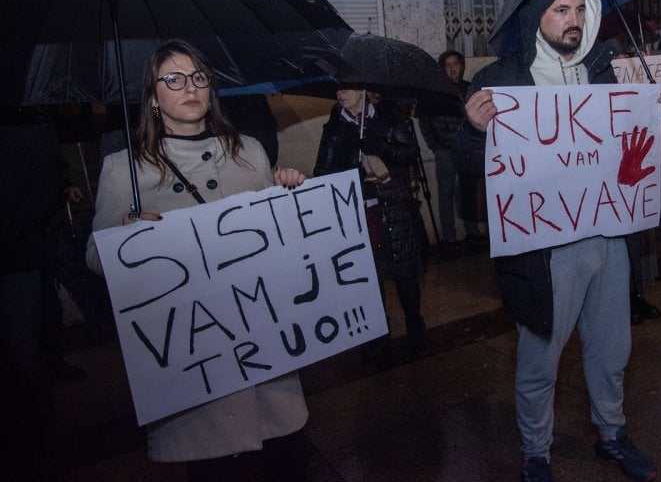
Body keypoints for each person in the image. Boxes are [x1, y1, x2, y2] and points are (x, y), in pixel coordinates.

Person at [454, 0, 659, 482]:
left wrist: (653, 115)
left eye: (579, 11)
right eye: (561, 11)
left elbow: (625, 151)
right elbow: (464, 162)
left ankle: (611, 433)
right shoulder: (501, 81)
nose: (573, 21)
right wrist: (472, 130)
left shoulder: (604, 74)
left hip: (608, 239)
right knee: (540, 358)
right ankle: (536, 452)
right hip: (545, 251)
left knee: (613, 349)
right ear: (536, 17)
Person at [86, 39, 309, 480]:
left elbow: (278, 242)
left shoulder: (249, 152)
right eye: (173, 79)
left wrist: (291, 199)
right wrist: (126, 236)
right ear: (153, 95)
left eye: (198, 77)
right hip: (196, 360)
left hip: (262, 349)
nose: (189, 87)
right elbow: (96, 256)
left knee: (283, 463)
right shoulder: (125, 169)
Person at [313, 89, 429, 358]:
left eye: (347, 88)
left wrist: (380, 147)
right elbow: (322, 171)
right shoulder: (335, 126)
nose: (340, 93)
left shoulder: (390, 117)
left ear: (362, 90)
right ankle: (378, 332)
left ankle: (415, 324)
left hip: (394, 204)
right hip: (359, 209)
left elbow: (410, 153)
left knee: (405, 270)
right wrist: (354, 167)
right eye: (338, 88)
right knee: (369, 273)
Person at [1, 107, 65, 480]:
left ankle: (35, 450)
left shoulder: (24, 118)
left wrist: (16, 231)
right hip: (18, 248)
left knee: (22, 352)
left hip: (15, 253)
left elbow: (47, 176)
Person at [416, 50, 484, 250]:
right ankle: (449, 236)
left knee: (469, 191)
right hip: (445, 150)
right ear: (442, 68)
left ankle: (472, 231)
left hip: (468, 150)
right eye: (448, 65)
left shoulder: (469, 88)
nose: (453, 69)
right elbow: (424, 122)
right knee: (446, 193)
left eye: (456, 64)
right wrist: (435, 146)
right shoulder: (434, 92)